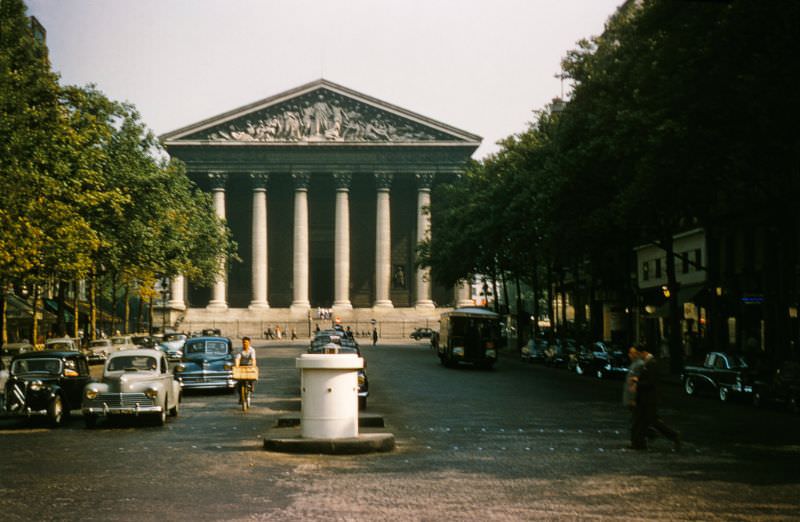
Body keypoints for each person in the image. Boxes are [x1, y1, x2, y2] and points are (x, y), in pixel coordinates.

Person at [631, 352, 681, 451]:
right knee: (642, 420)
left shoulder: (652, 364)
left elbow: (651, 382)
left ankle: (673, 435)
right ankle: (639, 443)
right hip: (645, 399)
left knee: (651, 421)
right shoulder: (647, 363)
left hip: (649, 399)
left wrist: (637, 383)